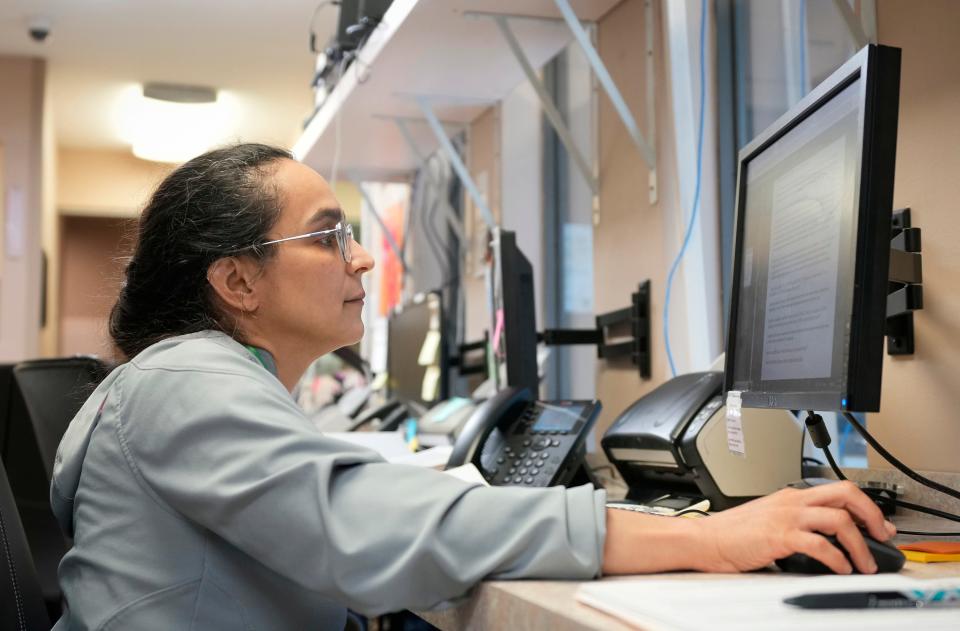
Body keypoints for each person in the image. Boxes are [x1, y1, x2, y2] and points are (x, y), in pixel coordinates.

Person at [51, 143, 896, 630]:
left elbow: (343, 509)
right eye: (327, 235)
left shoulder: (192, 381)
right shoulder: (184, 382)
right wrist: (709, 540)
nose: (359, 257)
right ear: (237, 282)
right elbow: (358, 527)